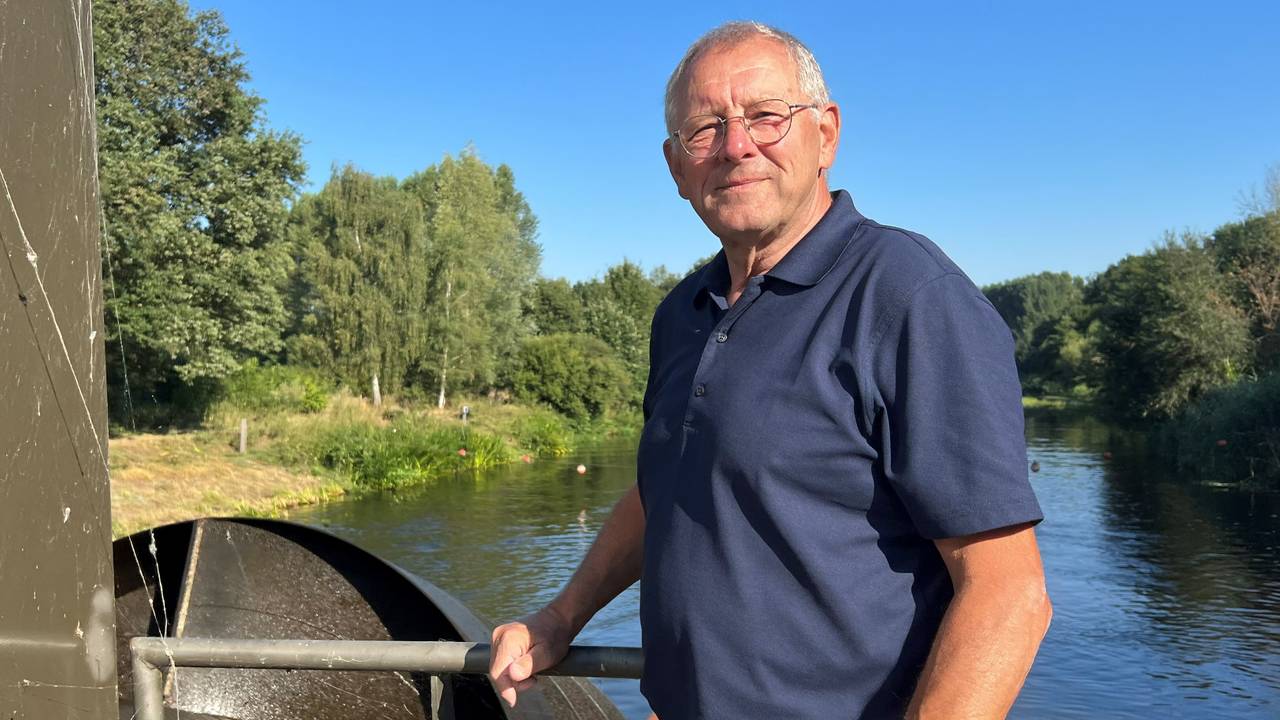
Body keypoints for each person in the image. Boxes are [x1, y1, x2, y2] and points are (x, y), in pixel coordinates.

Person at [490, 21, 1051, 720]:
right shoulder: (681, 314)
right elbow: (668, 489)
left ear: (827, 134)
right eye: (705, 129)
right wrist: (560, 617)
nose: (736, 146)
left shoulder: (909, 297)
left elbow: (1008, 593)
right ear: (676, 167)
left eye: (765, 116)